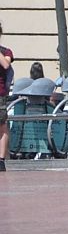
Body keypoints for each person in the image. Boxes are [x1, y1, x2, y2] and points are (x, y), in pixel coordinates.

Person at [0, 22, 13, 173]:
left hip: (0, 93)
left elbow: (5, 65)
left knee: (2, 126)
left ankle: (1, 160)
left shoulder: (6, 52)